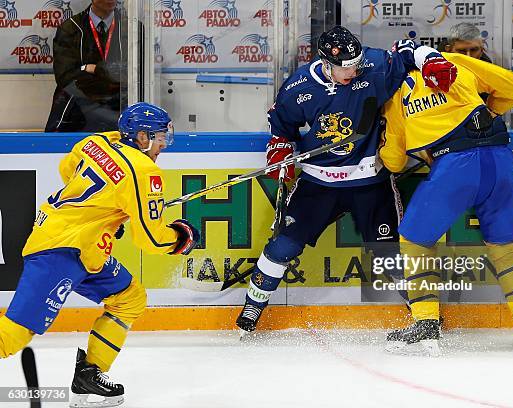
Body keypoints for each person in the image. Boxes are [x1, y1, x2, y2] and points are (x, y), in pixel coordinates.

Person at [235, 25, 458, 334]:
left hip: (368, 180)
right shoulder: (299, 86)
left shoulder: (373, 66)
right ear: (325, 63)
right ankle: (252, 306)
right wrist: (280, 150)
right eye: (344, 67)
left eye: (354, 64)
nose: (351, 71)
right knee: (283, 247)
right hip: (318, 182)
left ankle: (425, 317)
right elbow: (281, 127)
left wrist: (432, 60)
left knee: (390, 253)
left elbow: (408, 50)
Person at [0, 103, 200, 407]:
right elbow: (150, 238)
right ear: (142, 137)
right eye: (160, 137)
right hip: (62, 249)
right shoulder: (144, 171)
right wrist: (182, 236)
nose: (163, 145)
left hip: (84, 247)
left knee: (130, 298)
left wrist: (105, 212)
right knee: (14, 335)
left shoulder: (97, 141)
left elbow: (68, 170)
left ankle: (89, 378)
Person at [380, 52, 513, 356]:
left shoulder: (396, 89)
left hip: (454, 165)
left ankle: (426, 322)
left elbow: (393, 160)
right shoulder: (454, 61)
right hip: (500, 158)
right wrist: (491, 111)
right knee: (506, 245)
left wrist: (388, 139)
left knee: (415, 238)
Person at [45, 0, 127, 132]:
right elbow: (65, 77)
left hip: (118, 108)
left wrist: (93, 69)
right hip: (79, 111)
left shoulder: (132, 28)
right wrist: (109, 75)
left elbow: (132, 74)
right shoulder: (70, 28)